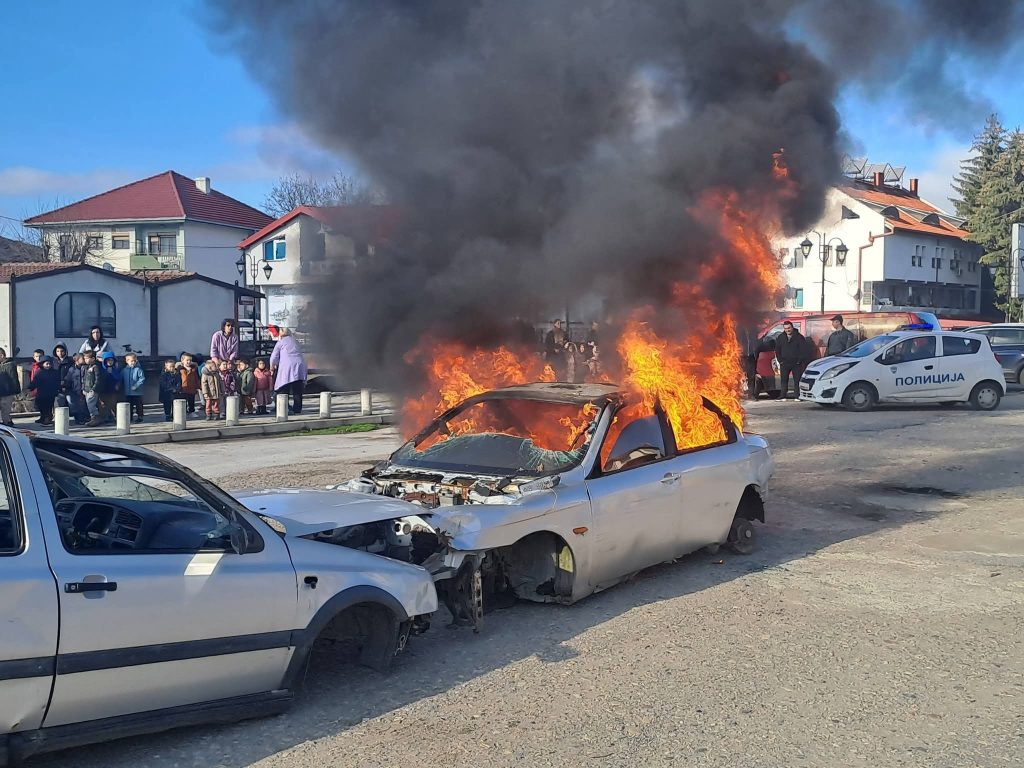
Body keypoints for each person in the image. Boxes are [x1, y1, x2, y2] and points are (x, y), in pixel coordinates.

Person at [270, 328, 308, 415]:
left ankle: (284, 407)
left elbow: (274, 357)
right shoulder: (295, 342)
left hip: (287, 366)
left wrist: (272, 367)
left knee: (284, 387)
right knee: (297, 389)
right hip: (300, 365)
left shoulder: (280, 343)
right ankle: (297, 409)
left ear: (281, 334)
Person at [775, 321, 807, 400]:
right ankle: (783, 396)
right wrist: (780, 361)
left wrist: (799, 361)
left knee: (797, 380)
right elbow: (777, 350)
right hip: (784, 363)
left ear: (792, 327)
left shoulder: (799, 337)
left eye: (789, 328)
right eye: (785, 328)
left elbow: (803, 350)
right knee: (784, 380)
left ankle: (797, 396)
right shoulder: (781, 337)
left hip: (796, 363)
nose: (787, 330)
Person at [32, 357, 60, 426]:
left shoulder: (54, 372)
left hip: (50, 393)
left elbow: (57, 382)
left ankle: (48, 418)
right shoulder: (39, 372)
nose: (48, 365)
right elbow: (35, 381)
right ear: (42, 364)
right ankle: (42, 417)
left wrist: (57, 389)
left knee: (48, 407)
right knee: (41, 405)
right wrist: (31, 387)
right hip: (41, 392)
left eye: (49, 364)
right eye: (46, 364)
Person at [121, 353, 146, 423]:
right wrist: (118, 384)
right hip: (128, 391)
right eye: (131, 361)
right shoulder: (124, 370)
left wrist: (136, 386)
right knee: (129, 405)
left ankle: (140, 416)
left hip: (137, 392)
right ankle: (130, 416)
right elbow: (121, 378)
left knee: (139, 405)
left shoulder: (138, 369)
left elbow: (142, 379)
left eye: (134, 361)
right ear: (127, 361)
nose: (133, 362)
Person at [98, 351, 121, 424]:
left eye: (111, 360)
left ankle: (114, 417)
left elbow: (118, 378)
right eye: (108, 360)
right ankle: (105, 417)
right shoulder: (102, 370)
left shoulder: (115, 370)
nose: (110, 362)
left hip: (112, 390)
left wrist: (117, 385)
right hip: (103, 389)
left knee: (112, 404)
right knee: (103, 404)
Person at [0, 348, 21, 427]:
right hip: (2, 391)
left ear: (2, 355)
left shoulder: (9, 365)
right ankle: (7, 421)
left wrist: (16, 390)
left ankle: (7, 423)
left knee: (5, 408)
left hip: (7, 391)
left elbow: (13, 379)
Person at [64, 354, 87, 424]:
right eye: (82, 358)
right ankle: (78, 419)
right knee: (76, 406)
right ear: (76, 360)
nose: (84, 359)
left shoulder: (85, 368)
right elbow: (68, 379)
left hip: (83, 389)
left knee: (83, 405)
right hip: (74, 390)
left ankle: (83, 418)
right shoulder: (72, 369)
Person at [82, 350, 102, 427]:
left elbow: (98, 379)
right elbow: (84, 379)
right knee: (89, 404)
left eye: (87, 358)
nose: (85, 360)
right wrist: (83, 388)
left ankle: (95, 417)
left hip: (92, 390)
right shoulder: (86, 367)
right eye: (84, 358)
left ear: (93, 358)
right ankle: (92, 418)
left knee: (91, 404)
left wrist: (94, 389)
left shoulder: (95, 367)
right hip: (87, 390)